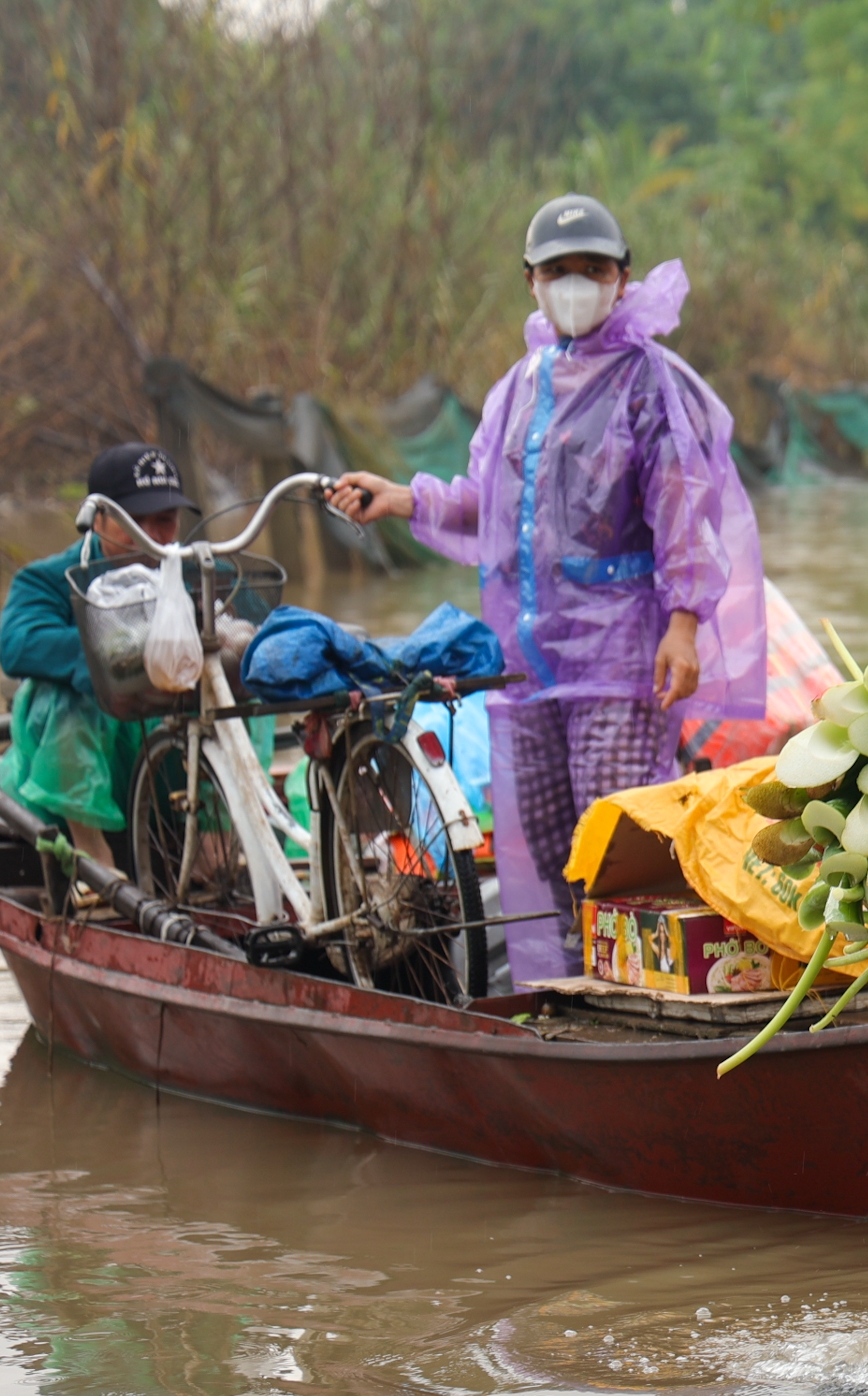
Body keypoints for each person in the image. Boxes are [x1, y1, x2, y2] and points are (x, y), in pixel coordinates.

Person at [327, 193, 767, 980]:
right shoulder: (519, 388)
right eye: (558, 270)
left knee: (617, 845)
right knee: (544, 852)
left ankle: (639, 992)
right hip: (528, 663)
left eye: (592, 269)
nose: (575, 284)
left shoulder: (649, 381)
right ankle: (566, 995)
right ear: (530, 281)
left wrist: (685, 622)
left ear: (623, 279)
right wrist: (402, 497)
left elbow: (682, 507)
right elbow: (487, 505)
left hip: (619, 658)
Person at [0, 442, 196, 871]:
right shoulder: (47, 580)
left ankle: (215, 835)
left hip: (173, 758)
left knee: (246, 682)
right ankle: (91, 850)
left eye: (163, 521)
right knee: (62, 695)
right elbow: (18, 644)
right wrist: (122, 656)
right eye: (134, 522)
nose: (151, 536)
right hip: (84, 760)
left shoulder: (197, 572)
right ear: (97, 520)